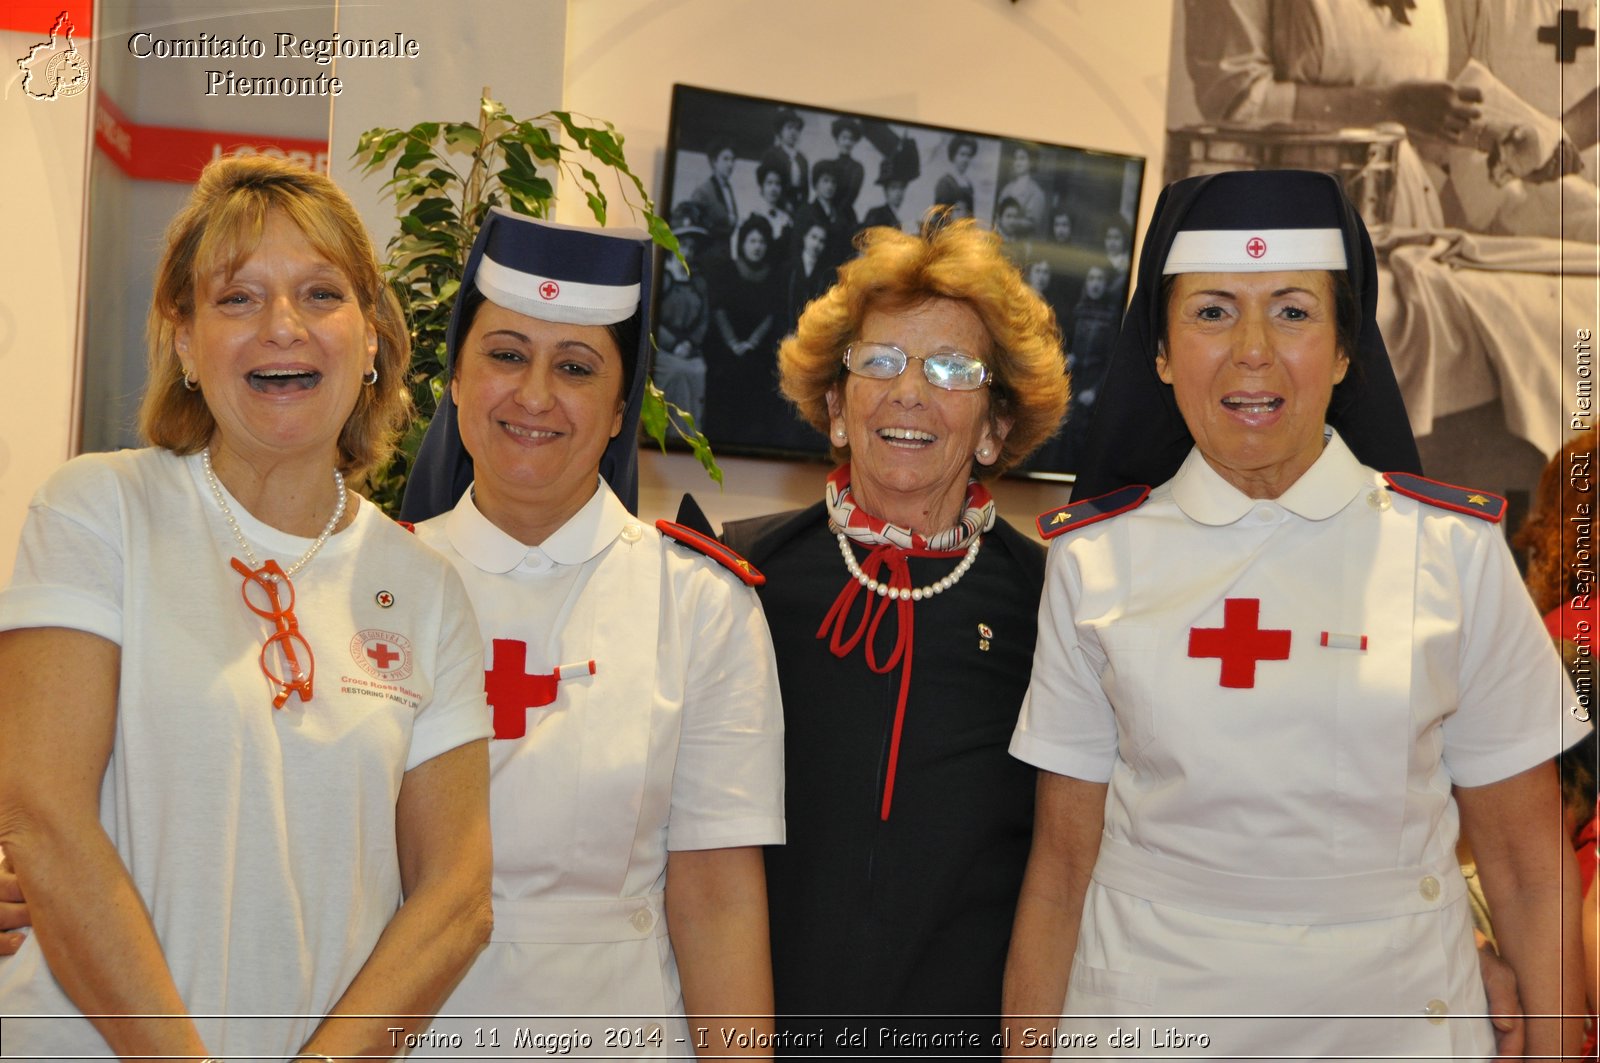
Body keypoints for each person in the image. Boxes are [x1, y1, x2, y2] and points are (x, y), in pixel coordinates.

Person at [1004, 169, 1588, 1057]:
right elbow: (1059, 870)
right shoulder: (1091, 562)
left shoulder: (1456, 555)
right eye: (1210, 311)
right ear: (1158, 352)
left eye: (1292, 310)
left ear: (1348, 350)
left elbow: (1528, 870)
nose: (1252, 351)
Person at [0, 155, 493, 1059]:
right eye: (237, 298)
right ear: (183, 340)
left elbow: (455, 899)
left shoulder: (424, 588)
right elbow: (44, 818)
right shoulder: (97, 510)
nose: (283, 328)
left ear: (373, 337)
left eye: (320, 293)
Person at [397, 210, 785, 1054]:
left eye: (575, 367)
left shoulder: (701, 604)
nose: (533, 394)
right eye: (505, 354)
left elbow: (717, 899)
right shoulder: (371, 583)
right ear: (455, 380)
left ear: (618, 412)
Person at [720, 215, 1069, 1052]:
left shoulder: (1054, 604)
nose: (910, 388)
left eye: (952, 367)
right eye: (880, 361)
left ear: (993, 426)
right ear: (838, 407)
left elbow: (1066, 869)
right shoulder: (737, 576)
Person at [760, 106, 811, 215]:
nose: (793, 132)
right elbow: (766, 184)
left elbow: (805, 189)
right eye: (789, 127)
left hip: (799, 208)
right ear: (780, 131)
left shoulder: (802, 159)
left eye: (796, 129)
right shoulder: (771, 155)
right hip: (777, 204)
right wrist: (784, 203)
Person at [934, 136, 979, 214]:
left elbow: (970, 214)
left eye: (969, 155)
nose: (965, 159)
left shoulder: (968, 184)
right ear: (954, 155)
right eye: (962, 154)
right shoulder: (945, 182)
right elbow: (940, 213)